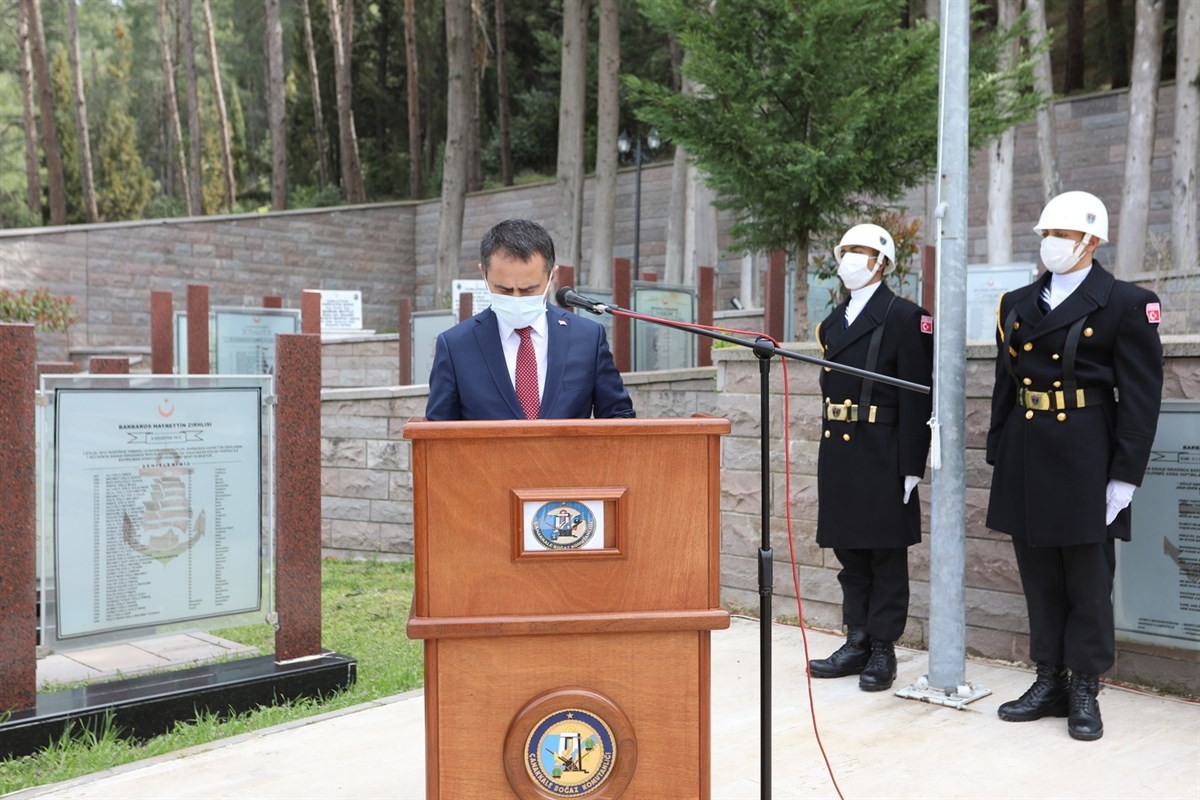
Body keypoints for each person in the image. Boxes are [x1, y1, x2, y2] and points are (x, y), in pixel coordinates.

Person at [986, 190, 1163, 741]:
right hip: (1027, 446)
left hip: (1087, 450)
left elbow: (1141, 396)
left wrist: (1126, 474)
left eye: (1061, 235)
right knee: (1038, 574)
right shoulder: (1017, 301)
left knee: (1087, 577)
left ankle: (1085, 684)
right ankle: (1050, 678)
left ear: (1091, 241)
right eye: (1046, 235)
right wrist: (998, 449)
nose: (1050, 245)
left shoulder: (1126, 303)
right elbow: (1005, 386)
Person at [808, 222, 934, 692]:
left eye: (860, 251)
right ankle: (856, 639)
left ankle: (883, 648)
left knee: (885, 555)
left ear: (882, 262)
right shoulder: (832, 323)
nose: (850, 260)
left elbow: (920, 396)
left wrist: (910, 466)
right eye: (845, 251)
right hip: (840, 448)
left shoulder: (905, 317)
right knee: (850, 553)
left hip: (883, 449)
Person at [425, 218, 635, 421]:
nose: (516, 298)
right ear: (484, 274)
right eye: (504, 289)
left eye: (529, 290)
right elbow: (437, 436)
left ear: (552, 277)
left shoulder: (587, 338)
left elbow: (619, 418)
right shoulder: (456, 346)